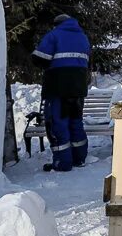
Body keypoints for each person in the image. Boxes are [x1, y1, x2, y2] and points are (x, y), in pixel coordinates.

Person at [32, 14, 91, 172]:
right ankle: (79, 158)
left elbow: (39, 58)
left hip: (57, 86)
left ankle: (63, 163)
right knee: (75, 122)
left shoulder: (54, 35)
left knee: (58, 122)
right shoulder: (83, 37)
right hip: (78, 88)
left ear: (56, 24)